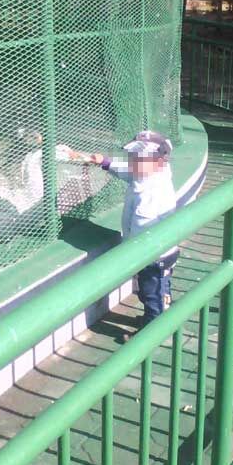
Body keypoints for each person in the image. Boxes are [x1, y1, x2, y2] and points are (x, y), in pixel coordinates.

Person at [68, 130, 178, 336]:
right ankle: (158, 313)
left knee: (152, 294)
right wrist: (104, 162)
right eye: (132, 156)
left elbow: (145, 233)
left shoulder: (154, 193)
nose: (134, 162)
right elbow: (126, 172)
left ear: (160, 162)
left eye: (140, 158)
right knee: (152, 291)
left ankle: (153, 331)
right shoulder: (144, 175)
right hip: (148, 254)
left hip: (155, 257)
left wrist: (131, 256)